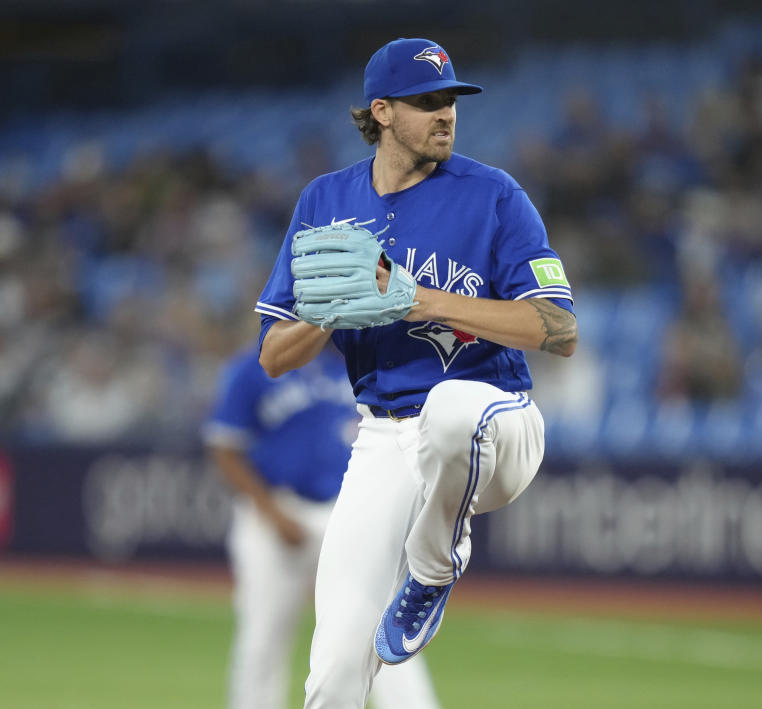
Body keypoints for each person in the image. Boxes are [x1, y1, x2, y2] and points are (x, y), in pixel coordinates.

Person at [254, 37, 578, 709]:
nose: (446, 114)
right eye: (428, 102)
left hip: (498, 423)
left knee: (452, 409)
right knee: (337, 667)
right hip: (382, 440)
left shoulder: (494, 195)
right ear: (382, 111)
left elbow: (559, 328)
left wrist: (411, 296)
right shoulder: (325, 201)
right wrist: (331, 311)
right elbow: (273, 355)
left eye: (451, 101)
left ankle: (432, 569)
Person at [204, 343, 443, 709]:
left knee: (381, 627)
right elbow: (224, 447)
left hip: (344, 512)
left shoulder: (358, 364)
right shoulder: (255, 367)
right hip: (275, 514)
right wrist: (272, 514)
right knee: (263, 638)